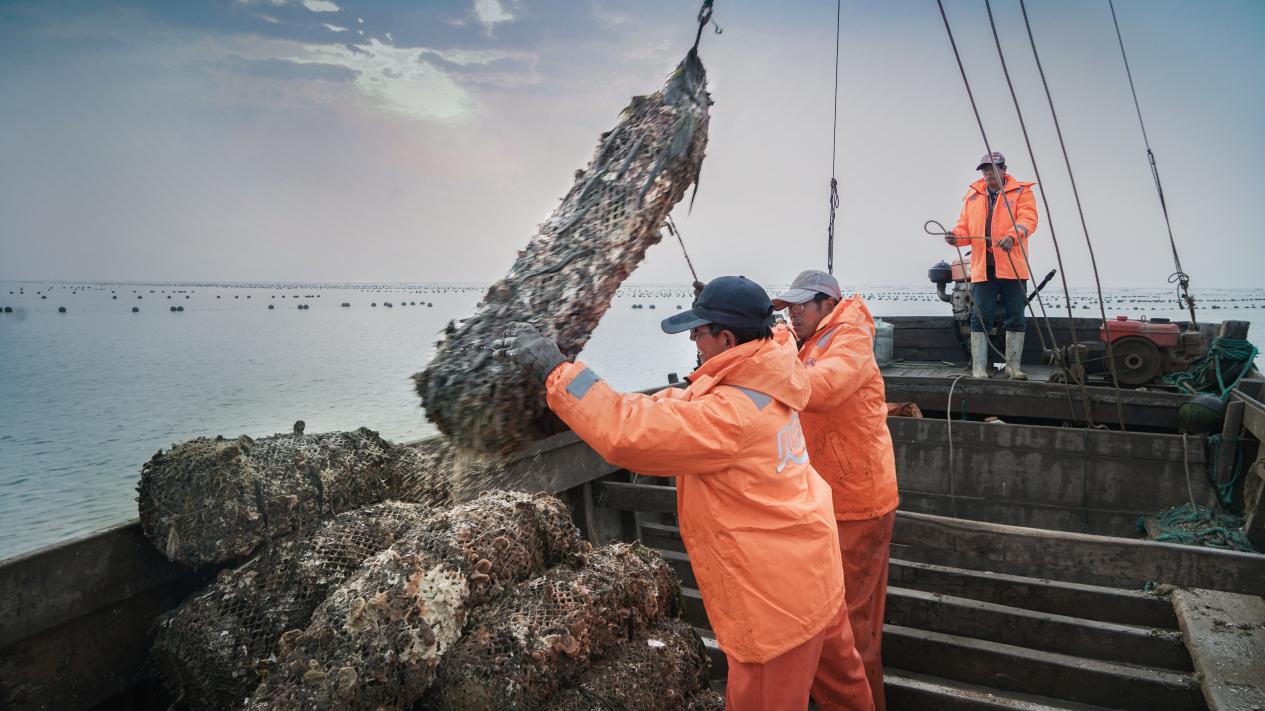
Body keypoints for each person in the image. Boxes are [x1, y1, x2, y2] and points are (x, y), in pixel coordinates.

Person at [493, 276, 874, 711]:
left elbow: (628, 434)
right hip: (815, 577)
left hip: (775, 609)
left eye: (699, 330)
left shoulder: (732, 414)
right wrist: (599, 393)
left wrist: (556, 372)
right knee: (847, 695)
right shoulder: (773, 370)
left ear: (727, 339)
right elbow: (680, 404)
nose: (693, 338)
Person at [773, 269, 898, 711]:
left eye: (801, 305)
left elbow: (821, 388)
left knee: (854, 628)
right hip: (824, 500)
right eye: (787, 308)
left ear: (828, 303)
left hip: (858, 503)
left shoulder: (851, 336)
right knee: (828, 619)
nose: (792, 315)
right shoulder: (807, 341)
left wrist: (776, 352)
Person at [944, 152, 1038, 379]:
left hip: (1013, 268)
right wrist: (955, 237)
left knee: (1016, 316)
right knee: (980, 317)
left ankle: (1013, 367)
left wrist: (1012, 237)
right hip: (983, 269)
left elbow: (1028, 220)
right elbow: (964, 229)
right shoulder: (972, 196)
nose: (988, 173)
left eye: (993, 169)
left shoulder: (1022, 192)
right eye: (985, 170)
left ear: (1004, 169)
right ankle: (979, 367)